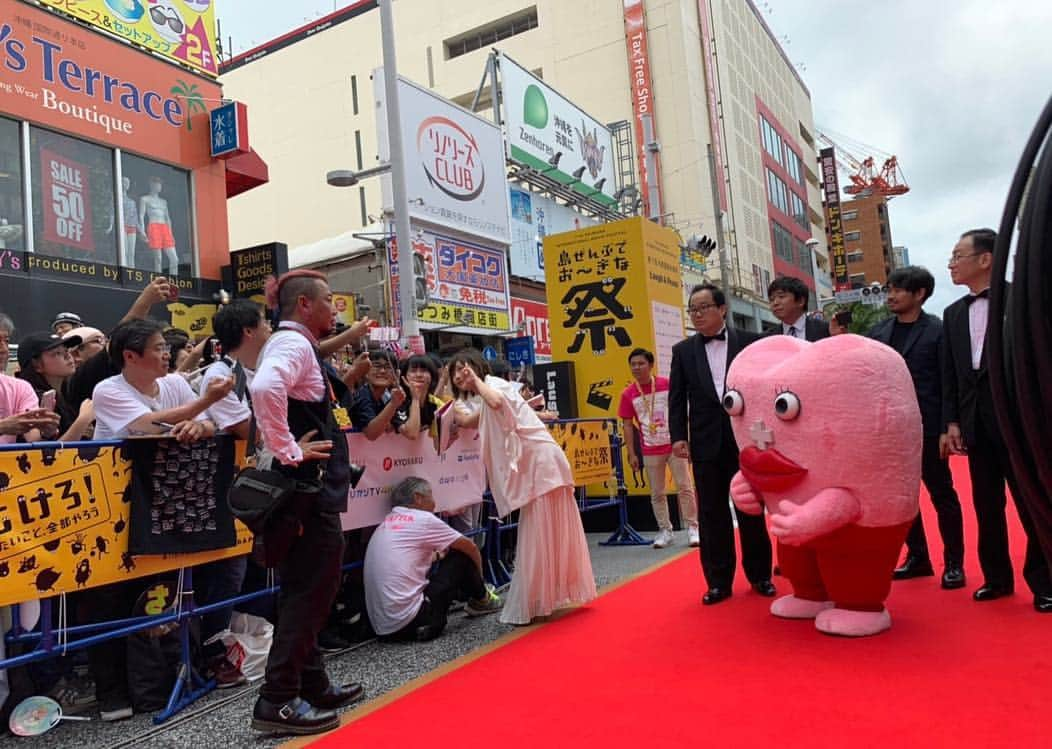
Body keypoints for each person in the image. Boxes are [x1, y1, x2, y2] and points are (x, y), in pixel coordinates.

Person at [249, 269, 364, 734]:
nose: (336, 309)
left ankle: (312, 684)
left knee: (307, 591)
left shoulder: (295, 344)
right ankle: (276, 699)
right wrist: (289, 449)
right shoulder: (292, 345)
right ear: (304, 306)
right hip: (305, 495)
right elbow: (263, 389)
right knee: (312, 592)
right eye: (329, 301)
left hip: (309, 493)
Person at [942, 228, 1052, 612]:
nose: (952, 264)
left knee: (1030, 501)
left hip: (1019, 420)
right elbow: (951, 375)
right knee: (986, 504)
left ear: (986, 259)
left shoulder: (1022, 302)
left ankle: (1044, 580)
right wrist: (951, 421)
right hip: (975, 423)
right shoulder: (953, 313)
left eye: (959, 255)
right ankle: (996, 578)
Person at [449, 349, 596, 625]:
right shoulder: (486, 392)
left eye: (463, 368)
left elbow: (495, 402)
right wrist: (449, 400)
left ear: (477, 367)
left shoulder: (494, 385)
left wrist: (476, 382)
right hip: (540, 465)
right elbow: (467, 420)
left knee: (540, 532)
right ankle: (546, 597)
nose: (460, 375)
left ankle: (537, 600)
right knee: (545, 531)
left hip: (541, 466)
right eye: (455, 371)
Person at [669, 283, 773, 605]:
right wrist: (678, 437)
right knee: (712, 514)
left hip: (745, 440)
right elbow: (676, 399)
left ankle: (761, 576)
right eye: (693, 310)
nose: (697, 315)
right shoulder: (683, 351)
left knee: (751, 509)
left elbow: (763, 390)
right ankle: (718, 581)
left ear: (722, 309)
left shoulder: (751, 343)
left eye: (703, 308)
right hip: (704, 442)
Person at [868, 266, 965, 589]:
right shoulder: (879, 332)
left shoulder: (938, 331)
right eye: (889, 289)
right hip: (890, 429)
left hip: (928, 426)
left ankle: (954, 563)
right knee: (902, 498)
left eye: (897, 290)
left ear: (920, 294)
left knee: (942, 494)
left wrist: (947, 426)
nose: (890, 295)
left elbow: (948, 381)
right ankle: (918, 556)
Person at [195, 299, 273, 689]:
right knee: (227, 573)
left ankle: (240, 642)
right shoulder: (219, 375)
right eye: (264, 322)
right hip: (219, 492)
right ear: (247, 330)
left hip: (253, 488)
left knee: (251, 568)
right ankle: (212, 652)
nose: (270, 328)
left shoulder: (258, 371)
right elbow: (248, 431)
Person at [364, 477, 502, 642]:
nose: (435, 503)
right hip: (415, 622)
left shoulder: (386, 523)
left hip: (384, 628)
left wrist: (437, 556)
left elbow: (410, 559)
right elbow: (470, 548)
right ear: (418, 498)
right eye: (431, 495)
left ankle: (472, 596)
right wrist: (479, 580)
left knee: (446, 557)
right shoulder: (423, 519)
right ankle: (483, 599)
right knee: (461, 556)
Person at [618, 347, 699, 549]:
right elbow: (627, 425)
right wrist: (631, 453)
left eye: (641, 363)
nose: (637, 367)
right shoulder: (628, 394)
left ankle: (693, 527)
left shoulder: (666, 384)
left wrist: (687, 440)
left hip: (674, 444)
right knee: (657, 492)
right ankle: (665, 530)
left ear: (650, 365)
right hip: (650, 448)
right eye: (633, 364)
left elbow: (681, 412)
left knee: (685, 487)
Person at [15, 332, 94, 442]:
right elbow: (44, 453)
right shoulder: (33, 399)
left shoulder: (66, 393)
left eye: (66, 350)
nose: (68, 356)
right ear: (36, 365)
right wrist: (82, 422)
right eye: (57, 353)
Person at [349, 349, 407, 440]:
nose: (382, 371)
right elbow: (371, 434)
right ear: (366, 372)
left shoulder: (390, 395)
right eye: (377, 366)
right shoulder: (362, 396)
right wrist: (393, 404)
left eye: (388, 367)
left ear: (396, 374)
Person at [766, 276, 829, 340]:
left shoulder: (826, 330)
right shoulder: (768, 338)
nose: (775, 303)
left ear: (800, 301)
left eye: (781, 296)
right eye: (771, 299)